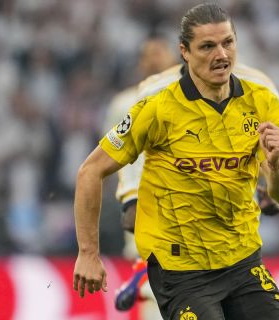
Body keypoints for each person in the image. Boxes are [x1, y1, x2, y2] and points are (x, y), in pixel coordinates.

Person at [73, 3, 279, 319]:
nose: (221, 54)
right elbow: (90, 171)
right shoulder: (157, 110)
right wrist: (88, 253)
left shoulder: (262, 102)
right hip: (181, 271)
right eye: (207, 46)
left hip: (243, 261)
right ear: (184, 52)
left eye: (228, 42)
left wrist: (276, 164)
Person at [112, 64, 279, 311]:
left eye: (225, 42)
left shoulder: (258, 87)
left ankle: (147, 283)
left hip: (234, 221)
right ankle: (149, 281)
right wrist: (131, 196)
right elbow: (130, 149)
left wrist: (278, 179)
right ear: (185, 49)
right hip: (175, 221)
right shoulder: (155, 91)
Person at [102, 38, 177, 315]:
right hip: (139, 204)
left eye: (159, 53)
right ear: (140, 62)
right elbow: (105, 157)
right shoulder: (123, 103)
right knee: (154, 287)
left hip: (178, 204)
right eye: (148, 55)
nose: (154, 59)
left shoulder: (181, 99)